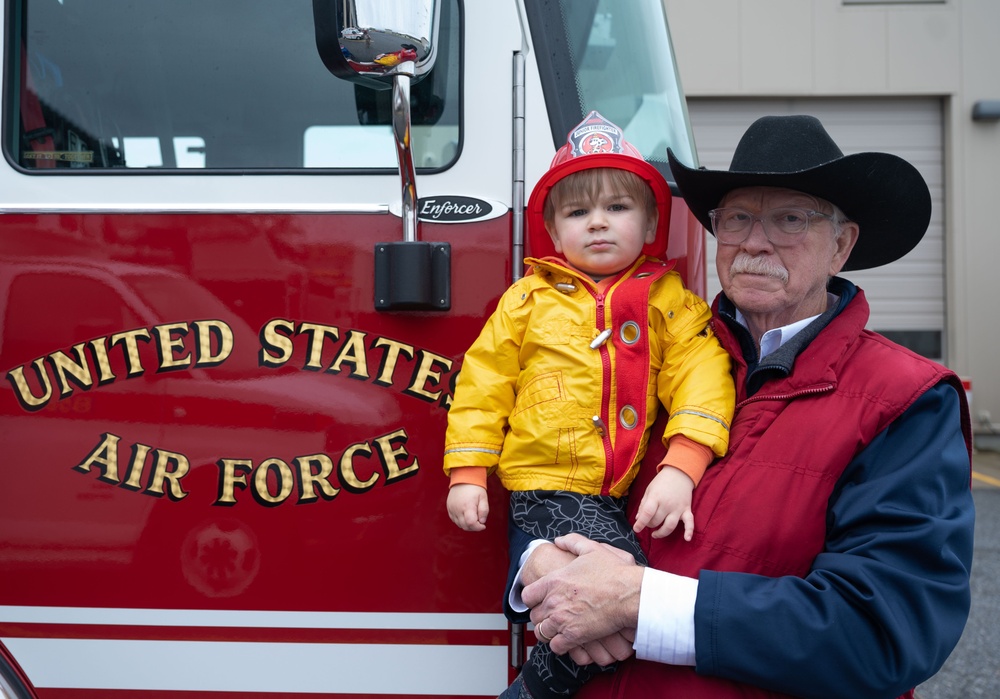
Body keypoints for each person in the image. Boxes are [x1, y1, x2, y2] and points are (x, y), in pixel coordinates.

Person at [511, 114, 976, 699]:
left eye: (789, 219)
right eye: (737, 218)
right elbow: (552, 477)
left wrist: (637, 603)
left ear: (842, 245)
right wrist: (536, 562)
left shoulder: (905, 399)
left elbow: (884, 631)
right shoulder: (644, 354)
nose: (756, 241)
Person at [442, 111, 735, 699]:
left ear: (650, 219)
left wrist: (683, 465)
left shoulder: (669, 302)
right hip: (544, 489)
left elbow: (702, 375)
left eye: (617, 208)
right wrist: (468, 472)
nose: (598, 223)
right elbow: (482, 383)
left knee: (603, 611)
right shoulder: (526, 302)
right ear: (553, 229)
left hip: (614, 492)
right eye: (578, 212)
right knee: (618, 593)